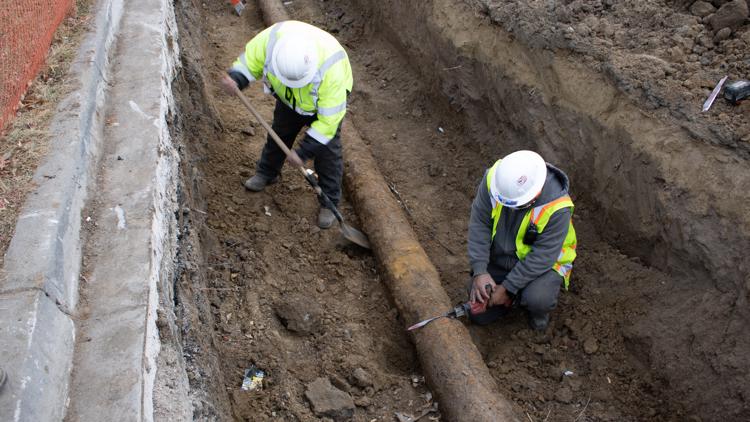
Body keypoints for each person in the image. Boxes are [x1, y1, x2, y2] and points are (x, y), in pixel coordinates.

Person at [220, 20, 353, 228]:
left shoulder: (331, 72)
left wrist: (303, 152)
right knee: (280, 133)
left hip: (320, 104)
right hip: (288, 98)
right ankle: (267, 172)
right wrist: (237, 77)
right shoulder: (272, 41)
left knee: (327, 152)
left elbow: (327, 124)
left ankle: (329, 200)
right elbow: (250, 62)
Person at [467, 150, 577, 331]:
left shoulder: (558, 207)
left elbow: (543, 255)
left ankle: (536, 315)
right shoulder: (494, 181)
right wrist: (480, 271)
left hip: (544, 266)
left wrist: (508, 287)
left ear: (536, 194)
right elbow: (480, 223)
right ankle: (510, 300)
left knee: (537, 299)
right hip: (502, 257)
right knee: (478, 306)